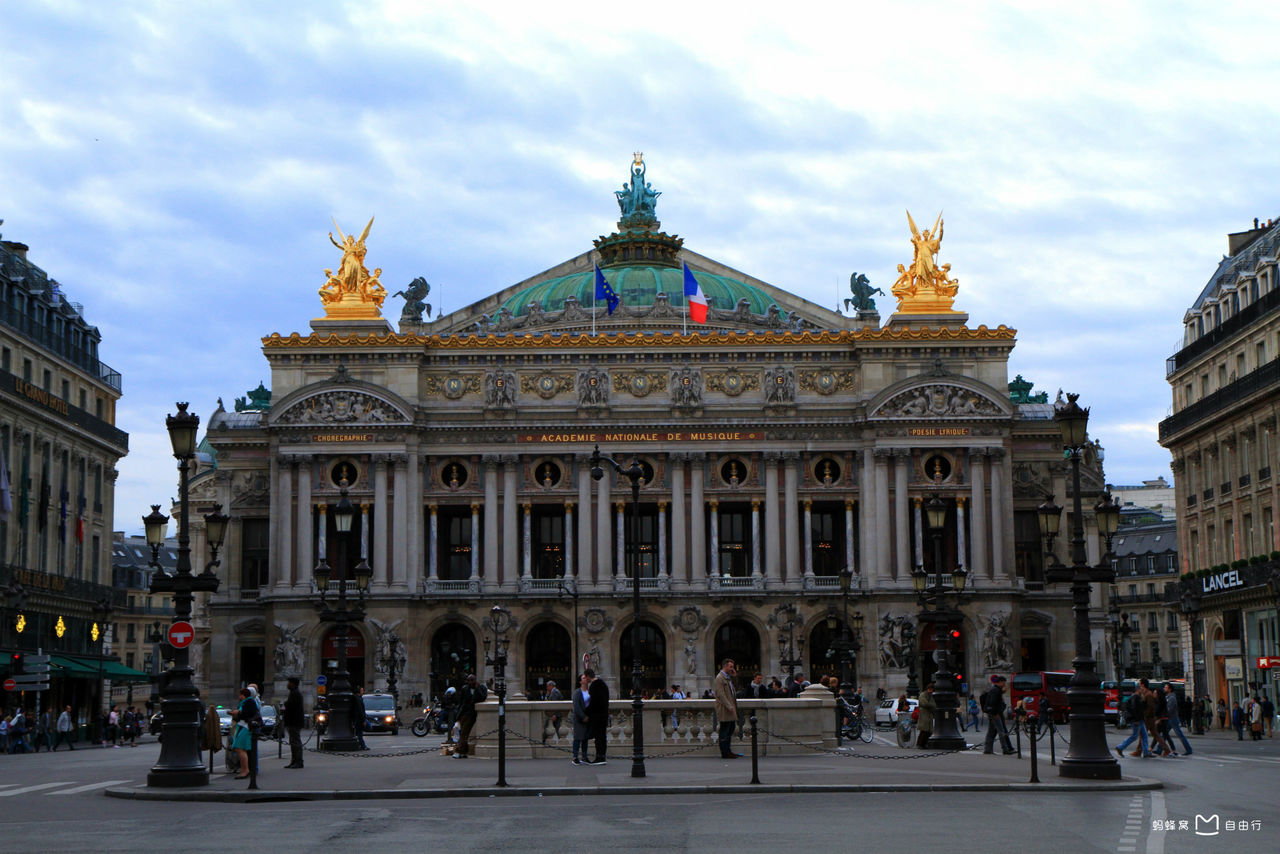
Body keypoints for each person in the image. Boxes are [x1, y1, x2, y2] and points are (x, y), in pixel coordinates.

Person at [453, 674, 486, 758]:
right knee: (462, 733)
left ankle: (459, 750)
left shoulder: (481, 688)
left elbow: (482, 698)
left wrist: (477, 688)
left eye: (472, 680)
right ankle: (463, 751)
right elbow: (461, 702)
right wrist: (458, 715)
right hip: (464, 713)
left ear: (475, 680)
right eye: (469, 680)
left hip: (472, 713)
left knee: (464, 732)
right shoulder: (465, 688)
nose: (470, 682)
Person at [714, 658, 742, 759]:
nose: (732, 669)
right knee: (725, 730)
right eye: (730, 667)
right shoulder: (719, 678)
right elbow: (720, 694)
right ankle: (725, 752)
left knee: (730, 728)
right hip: (725, 708)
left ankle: (728, 750)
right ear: (725, 666)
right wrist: (729, 706)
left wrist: (734, 676)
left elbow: (736, 688)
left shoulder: (728, 677)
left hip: (730, 707)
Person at [982, 675, 1016, 755]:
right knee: (1001, 731)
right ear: (1000, 682)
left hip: (992, 713)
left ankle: (987, 749)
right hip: (995, 713)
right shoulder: (996, 690)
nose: (1005, 684)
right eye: (1004, 682)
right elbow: (993, 702)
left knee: (991, 731)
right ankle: (1005, 749)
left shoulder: (995, 690)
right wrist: (995, 713)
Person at [1117, 686, 1151, 758]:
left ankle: (1146, 751)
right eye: (1141, 689)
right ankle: (1120, 747)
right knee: (1135, 736)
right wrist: (1136, 720)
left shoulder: (1134, 697)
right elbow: (1136, 709)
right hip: (1137, 720)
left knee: (1144, 735)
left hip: (1138, 720)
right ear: (1138, 690)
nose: (1142, 690)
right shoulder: (1136, 697)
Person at [585, 668, 610, 765]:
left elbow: (593, 703)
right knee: (602, 736)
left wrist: (587, 712)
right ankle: (602, 755)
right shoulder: (603, 684)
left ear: (587, 676)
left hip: (597, 715)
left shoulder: (594, 686)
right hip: (604, 714)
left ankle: (599, 757)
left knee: (598, 737)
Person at [231, 688, 257, 778]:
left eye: (240, 695)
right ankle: (245, 769)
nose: (239, 697)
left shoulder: (249, 702)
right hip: (243, 726)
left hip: (246, 727)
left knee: (240, 748)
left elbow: (248, 713)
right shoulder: (244, 702)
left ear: (243, 695)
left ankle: (245, 770)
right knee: (241, 749)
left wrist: (238, 712)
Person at [282, 676, 305, 769]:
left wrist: (286, 704)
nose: (287, 684)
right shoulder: (294, 693)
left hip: (294, 722)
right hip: (293, 721)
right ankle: (294, 760)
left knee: (295, 742)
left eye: (289, 682)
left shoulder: (295, 693)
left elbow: (291, 706)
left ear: (293, 684)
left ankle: (298, 761)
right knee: (293, 741)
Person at [1162, 684, 1192, 756]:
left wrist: (1165, 714)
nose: (1164, 689)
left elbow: (1170, 709)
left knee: (1179, 735)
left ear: (1170, 689)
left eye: (1166, 687)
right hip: (1170, 718)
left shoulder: (1171, 697)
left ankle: (1189, 749)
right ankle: (1160, 748)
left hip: (1172, 718)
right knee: (1164, 734)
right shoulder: (1168, 697)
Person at [570, 673, 590, 765]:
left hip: (588, 717)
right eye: (583, 678)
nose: (585, 679)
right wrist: (583, 716)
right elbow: (576, 706)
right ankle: (575, 757)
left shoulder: (589, 692)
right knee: (578, 738)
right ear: (580, 681)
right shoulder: (577, 692)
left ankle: (584, 756)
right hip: (579, 719)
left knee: (585, 738)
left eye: (586, 677)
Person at [917, 683, 936, 749]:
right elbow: (924, 703)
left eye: (932, 690)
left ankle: (924, 744)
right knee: (923, 730)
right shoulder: (923, 695)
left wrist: (930, 706)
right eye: (930, 689)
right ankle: (919, 744)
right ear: (927, 689)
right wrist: (930, 705)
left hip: (929, 715)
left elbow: (933, 705)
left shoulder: (931, 696)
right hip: (924, 715)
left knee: (928, 731)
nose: (931, 691)